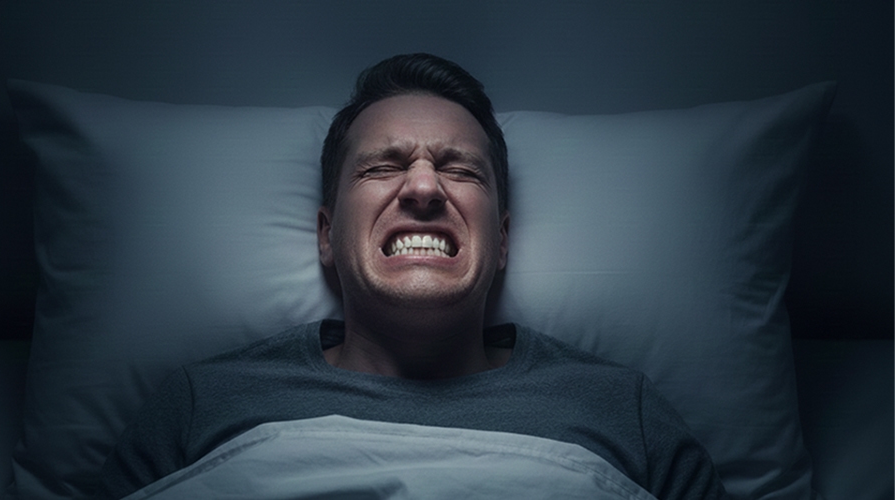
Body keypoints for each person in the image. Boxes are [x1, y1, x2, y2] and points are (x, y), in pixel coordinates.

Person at [95, 53, 727, 499]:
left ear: (501, 240)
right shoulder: (201, 405)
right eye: (382, 167)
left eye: (461, 171)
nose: (424, 186)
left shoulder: (623, 410)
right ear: (325, 236)